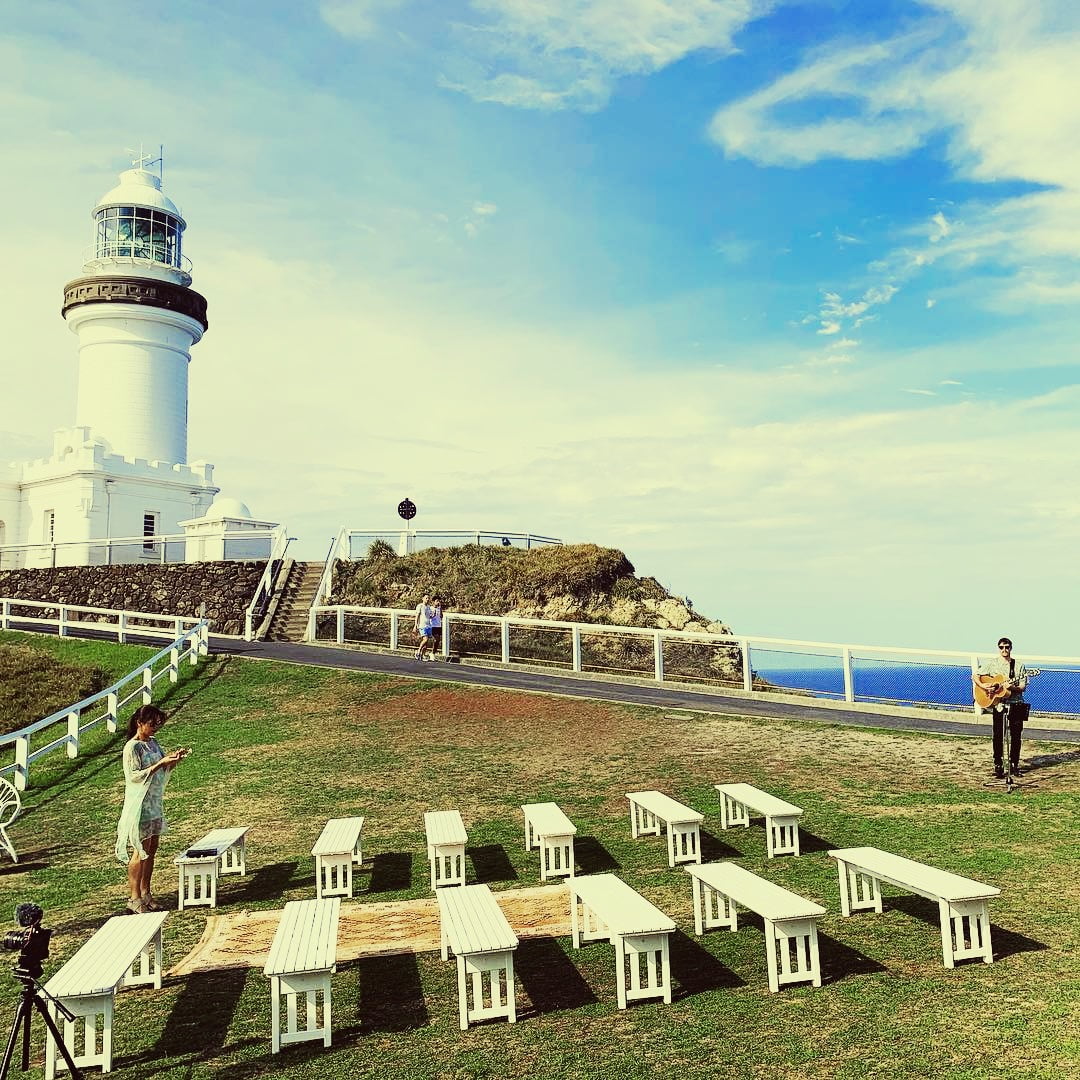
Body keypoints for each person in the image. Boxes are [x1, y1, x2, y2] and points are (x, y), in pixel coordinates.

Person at [115, 704, 189, 912]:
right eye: (151, 724)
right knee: (140, 850)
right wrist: (159, 764)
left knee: (152, 848)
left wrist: (173, 760)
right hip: (140, 805)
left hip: (154, 802)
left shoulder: (153, 743)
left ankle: (146, 892)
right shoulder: (132, 747)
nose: (155, 728)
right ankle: (134, 897)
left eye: (157, 724)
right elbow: (134, 776)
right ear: (140, 723)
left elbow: (164, 768)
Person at [976, 637, 1029, 779]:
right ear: (998, 648)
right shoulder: (992, 664)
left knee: (1016, 736)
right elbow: (975, 676)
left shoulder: (1019, 666)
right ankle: (998, 764)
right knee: (998, 735)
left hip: (1016, 703)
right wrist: (984, 686)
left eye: (1007, 647)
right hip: (999, 704)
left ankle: (1014, 765)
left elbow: (1023, 687)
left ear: (1011, 648)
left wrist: (1013, 687)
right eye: (1001, 647)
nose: (1004, 650)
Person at [414, 594, 433, 661]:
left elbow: (430, 616)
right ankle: (418, 651)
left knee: (426, 643)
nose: (427, 599)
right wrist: (415, 625)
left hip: (428, 625)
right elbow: (417, 616)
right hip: (422, 625)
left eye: (428, 598)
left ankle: (423, 655)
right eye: (426, 598)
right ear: (423, 598)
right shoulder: (420, 606)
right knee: (425, 639)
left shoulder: (428, 607)